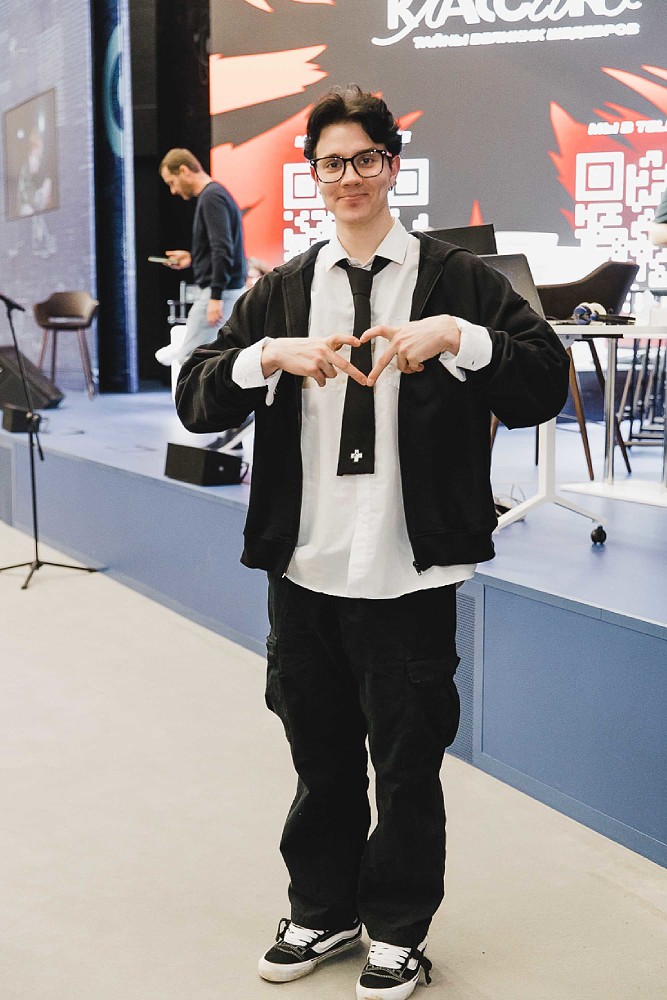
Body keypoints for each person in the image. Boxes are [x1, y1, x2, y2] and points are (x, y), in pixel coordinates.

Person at [175, 85, 570, 999]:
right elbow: (197, 398)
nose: (347, 176)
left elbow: (541, 384)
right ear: (313, 176)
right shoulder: (281, 290)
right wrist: (264, 357)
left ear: (392, 165)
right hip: (306, 564)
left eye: (363, 159)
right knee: (317, 755)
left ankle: (397, 928)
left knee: (406, 761)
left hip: (408, 567)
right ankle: (321, 909)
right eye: (330, 163)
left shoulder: (457, 282)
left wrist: (460, 339)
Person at [155, 148, 247, 366]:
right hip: (226, 291)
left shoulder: (211, 197)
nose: (173, 191)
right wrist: (194, 258)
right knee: (211, 358)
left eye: (172, 183)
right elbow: (222, 248)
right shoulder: (216, 195)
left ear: (184, 170)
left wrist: (215, 296)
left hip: (221, 292)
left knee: (190, 360)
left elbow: (222, 249)